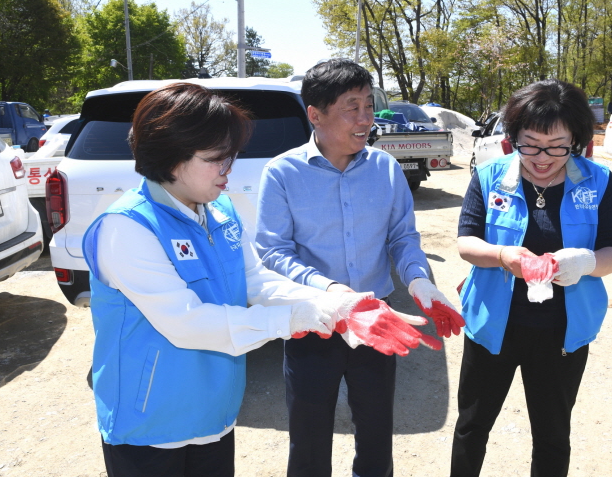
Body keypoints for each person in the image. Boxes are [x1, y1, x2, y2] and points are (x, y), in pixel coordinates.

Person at [82, 82, 373, 477]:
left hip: (213, 414)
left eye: (232, 156)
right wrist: (289, 321)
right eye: (217, 158)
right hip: (150, 424)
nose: (228, 170)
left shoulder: (218, 209)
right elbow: (188, 323)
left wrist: (328, 303)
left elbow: (255, 281)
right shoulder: (127, 227)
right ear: (170, 158)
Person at [255, 58, 464, 477]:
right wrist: (332, 291)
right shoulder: (281, 173)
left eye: (369, 105)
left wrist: (421, 281)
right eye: (353, 107)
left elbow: (402, 237)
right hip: (313, 319)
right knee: (309, 437)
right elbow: (273, 252)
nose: (366, 118)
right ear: (315, 114)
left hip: (377, 320)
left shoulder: (385, 168)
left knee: (375, 431)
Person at [451, 79, 612, 477]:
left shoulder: (598, 183)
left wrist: (583, 262)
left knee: (552, 433)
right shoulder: (489, 175)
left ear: (577, 140)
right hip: (493, 326)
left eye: (556, 146)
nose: (542, 157)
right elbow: (465, 242)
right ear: (512, 138)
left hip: (562, 332)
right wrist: (501, 255)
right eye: (530, 144)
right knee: (472, 425)